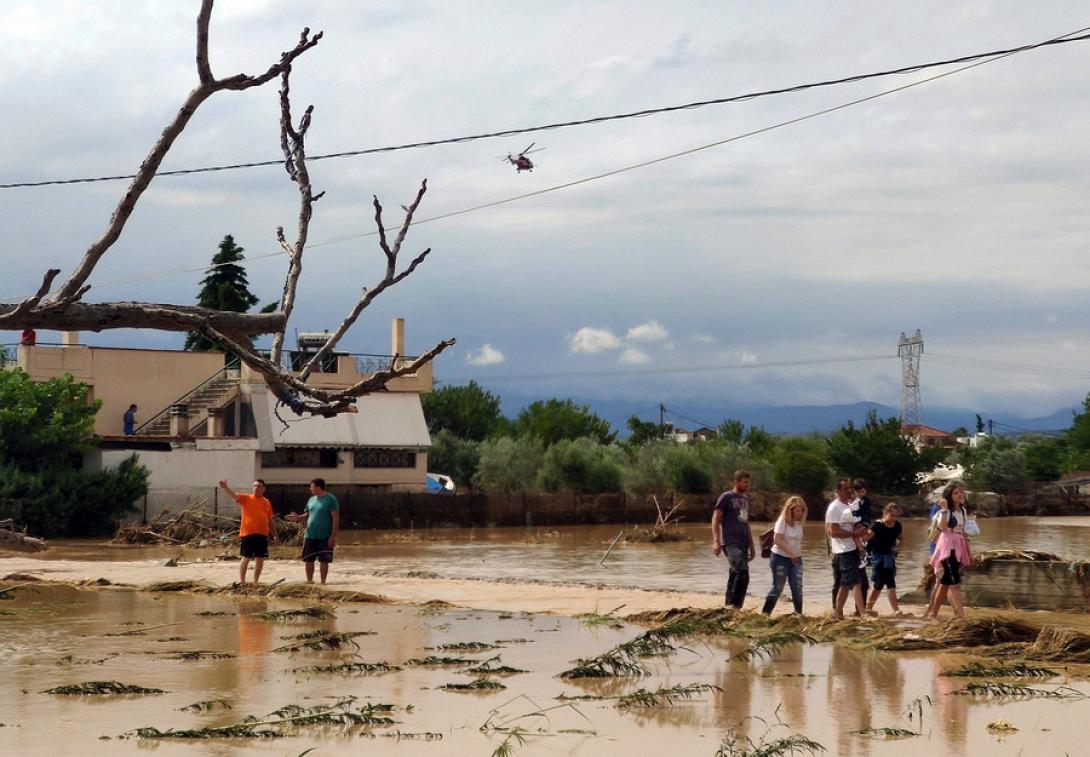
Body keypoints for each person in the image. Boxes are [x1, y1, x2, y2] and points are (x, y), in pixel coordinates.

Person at [926, 482, 972, 619]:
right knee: (954, 583)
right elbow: (944, 527)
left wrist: (969, 552)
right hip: (947, 547)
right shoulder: (945, 512)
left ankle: (933, 614)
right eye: (956, 493)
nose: (960, 495)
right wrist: (944, 509)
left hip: (959, 547)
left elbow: (964, 532)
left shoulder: (963, 511)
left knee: (945, 583)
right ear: (949, 496)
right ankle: (961, 617)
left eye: (961, 492)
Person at [218, 478, 276, 584]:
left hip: (262, 535)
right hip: (248, 534)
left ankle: (255, 582)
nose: (256, 488)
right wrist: (225, 487)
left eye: (258, 486)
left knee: (260, 559)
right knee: (246, 558)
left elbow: (270, 520)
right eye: (254, 486)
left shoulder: (267, 502)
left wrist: (275, 535)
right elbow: (234, 495)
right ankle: (242, 582)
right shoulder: (247, 498)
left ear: (264, 489)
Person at [711, 470, 755, 609]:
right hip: (730, 542)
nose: (747, 485)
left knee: (735, 573)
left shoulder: (746, 500)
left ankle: (730, 605)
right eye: (744, 482)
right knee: (743, 573)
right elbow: (715, 518)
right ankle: (734, 606)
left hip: (742, 542)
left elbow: (746, 523)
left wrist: (752, 545)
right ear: (736, 482)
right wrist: (716, 541)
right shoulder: (726, 497)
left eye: (748, 482)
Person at [286, 478, 340, 584]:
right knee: (308, 560)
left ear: (318, 487)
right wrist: (297, 517)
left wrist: (332, 537)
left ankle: (323, 583)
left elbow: (336, 519)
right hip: (310, 535)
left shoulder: (331, 499)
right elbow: (306, 515)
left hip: (325, 536)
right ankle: (309, 582)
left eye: (312, 487)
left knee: (324, 560)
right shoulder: (311, 500)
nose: (310, 489)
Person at [826, 478, 866, 619]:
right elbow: (833, 531)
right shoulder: (834, 508)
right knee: (856, 582)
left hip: (852, 547)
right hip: (843, 550)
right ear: (837, 492)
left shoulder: (849, 505)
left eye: (850, 488)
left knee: (844, 583)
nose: (849, 491)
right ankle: (863, 613)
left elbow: (853, 524)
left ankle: (837, 613)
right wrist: (854, 534)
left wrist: (860, 529)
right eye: (845, 489)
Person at [762, 496, 807, 615]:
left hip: (796, 558)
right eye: (798, 511)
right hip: (780, 558)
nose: (800, 513)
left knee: (797, 588)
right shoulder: (782, 522)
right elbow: (777, 540)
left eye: (802, 510)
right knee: (778, 587)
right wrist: (791, 553)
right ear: (790, 510)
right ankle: (765, 614)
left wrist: (795, 555)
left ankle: (798, 614)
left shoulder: (799, 524)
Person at [865, 503, 904, 614]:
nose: (894, 518)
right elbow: (867, 537)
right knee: (890, 582)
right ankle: (896, 610)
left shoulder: (897, 525)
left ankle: (868, 608)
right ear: (885, 513)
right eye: (892, 515)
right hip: (878, 558)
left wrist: (897, 548)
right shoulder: (877, 525)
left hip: (890, 558)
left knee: (879, 584)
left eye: (896, 515)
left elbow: (902, 539)